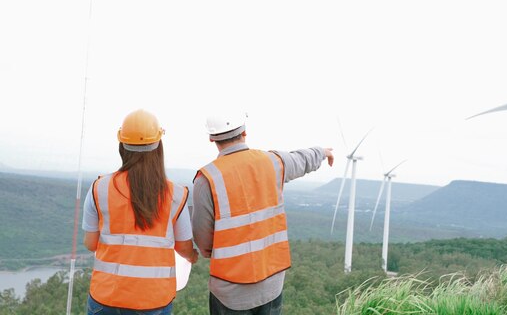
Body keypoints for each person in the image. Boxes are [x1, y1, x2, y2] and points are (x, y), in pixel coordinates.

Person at [192, 112, 334, 314]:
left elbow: (203, 239)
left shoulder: (206, 179)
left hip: (230, 292)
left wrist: (213, 251)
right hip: (271, 286)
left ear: (211, 138)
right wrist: (321, 152)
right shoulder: (273, 162)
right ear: (245, 132)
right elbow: (300, 160)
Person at [81, 109, 199, 315]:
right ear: (158, 147)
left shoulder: (99, 188)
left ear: (122, 146)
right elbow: (183, 247)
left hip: (106, 296)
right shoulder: (176, 195)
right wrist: (193, 255)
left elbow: (91, 244)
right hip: (153, 300)